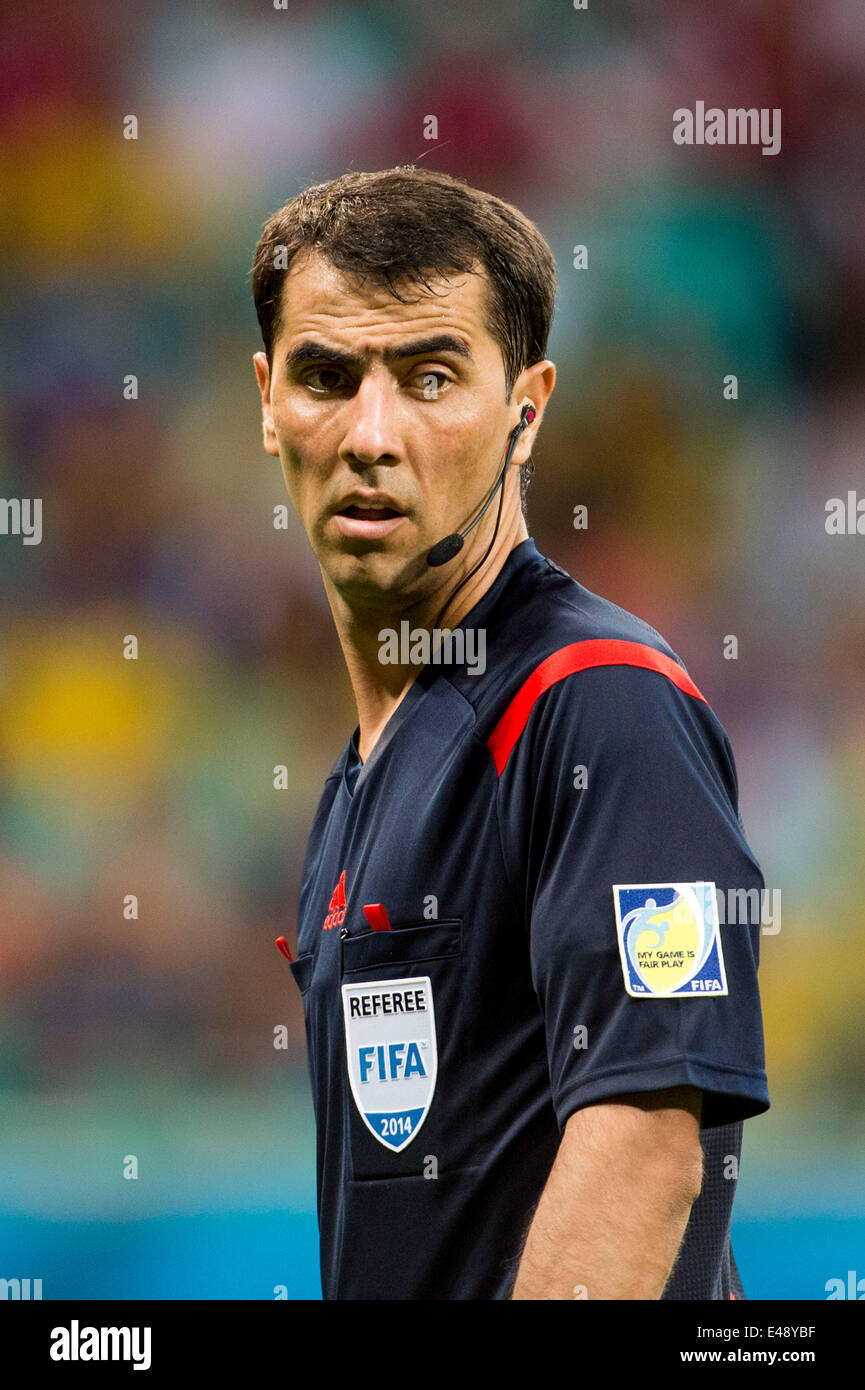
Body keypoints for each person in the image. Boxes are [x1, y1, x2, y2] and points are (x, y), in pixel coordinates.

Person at [251, 166, 769, 1300]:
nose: (371, 434)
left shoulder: (597, 700)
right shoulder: (364, 774)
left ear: (526, 410)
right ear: (266, 400)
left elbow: (643, 1141)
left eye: (431, 377)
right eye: (327, 377)